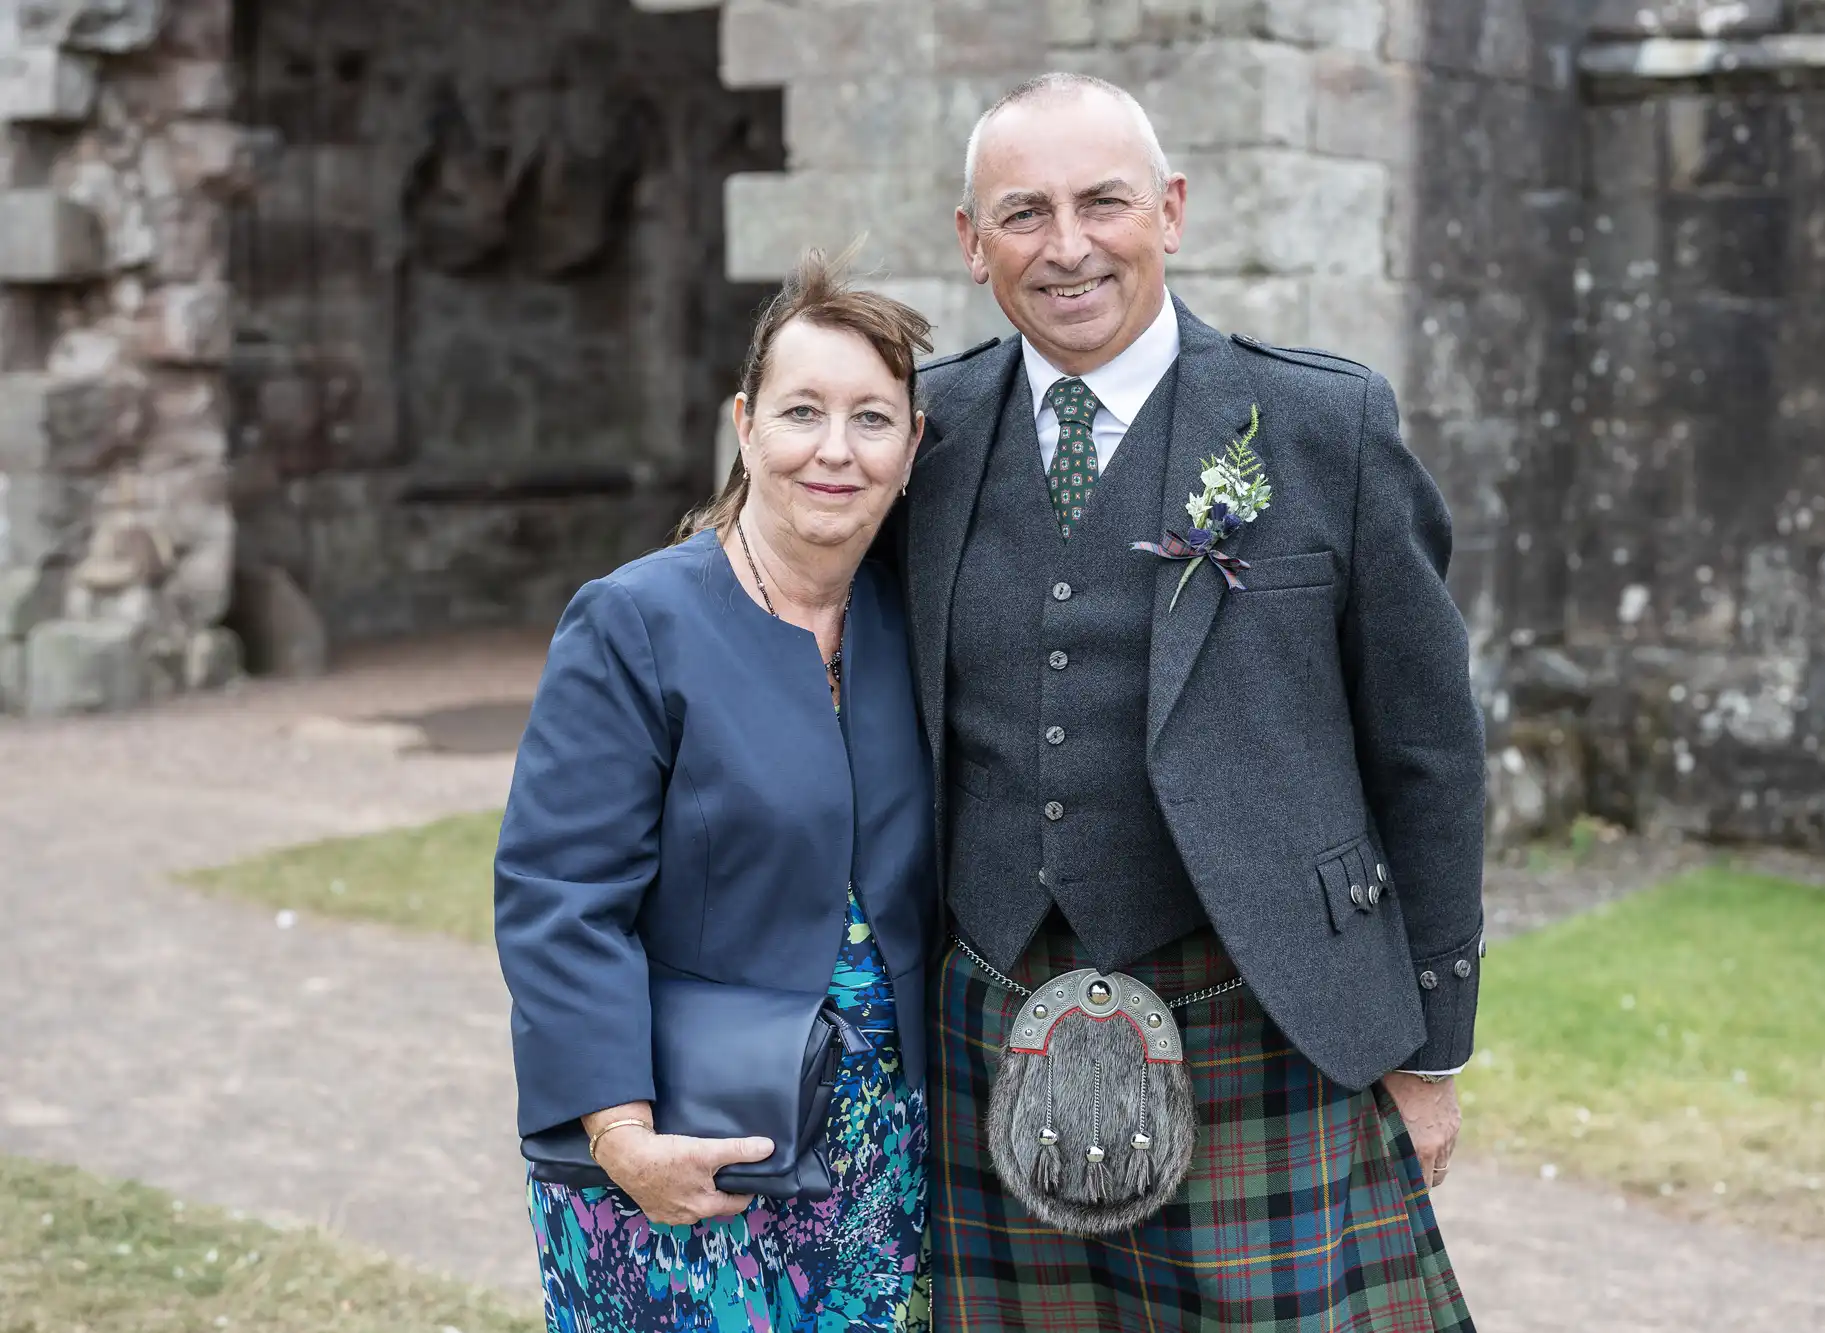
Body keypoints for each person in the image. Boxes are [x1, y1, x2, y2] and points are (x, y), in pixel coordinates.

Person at [901, 74, 1486, 1330]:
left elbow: (1428, 747)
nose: (1066, 246)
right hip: (984, 1007)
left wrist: (1429, 1049)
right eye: (1021, 213)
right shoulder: (922, 433)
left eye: (1101, 201)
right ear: (969, 243)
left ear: (1168, 209)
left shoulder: (1324, 423)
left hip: (1258, 1008)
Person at [494, 250, 938, 1331]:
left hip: (883, 1159)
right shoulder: (635, 621)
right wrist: (621, 1135)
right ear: (745, 424)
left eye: (871, 419)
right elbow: (559, 894)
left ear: (912, 446)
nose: (835, 449)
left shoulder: (911, 620)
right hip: (683, 1153)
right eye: (802, 412)